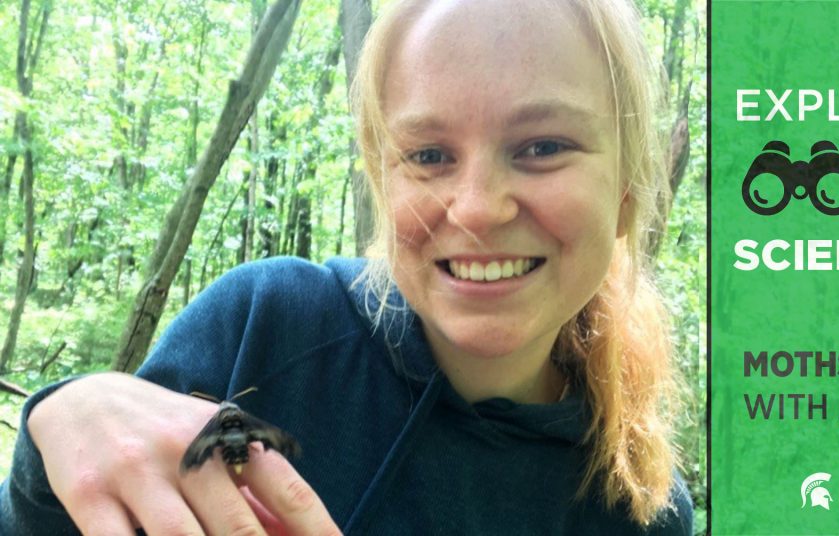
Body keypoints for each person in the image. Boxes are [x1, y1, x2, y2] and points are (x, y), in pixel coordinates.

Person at [0, 0, 694, 534]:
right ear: (382, 182)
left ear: (628, 193)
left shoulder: (639, 507)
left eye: (542, 146)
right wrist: (59, 436)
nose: (478, 209)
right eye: (428, 155)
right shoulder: (265, 331)